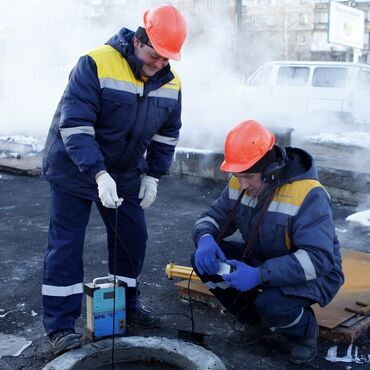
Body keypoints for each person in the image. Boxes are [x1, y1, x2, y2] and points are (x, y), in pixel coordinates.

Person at [41, 4, 187, 355]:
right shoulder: (96, 63)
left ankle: (127, 307)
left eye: (167, 59)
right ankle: (61, 327)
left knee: (132, 239)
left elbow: (168, 133)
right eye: (154, 55)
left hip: (124, 173)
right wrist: (98, 173)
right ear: (140, 39)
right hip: (74, 169)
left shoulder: (171, 82)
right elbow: (75, 125)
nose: (158, 65)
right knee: (66, 246)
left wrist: (153, 175)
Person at [192, 120, 344, 364]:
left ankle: (304, 333)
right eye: (237, 176)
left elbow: (319, 259)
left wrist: (260, 275)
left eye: (249, 177)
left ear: (271, 170)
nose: (242, 185)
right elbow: (212, 217)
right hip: (265, 259)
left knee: (272, 303)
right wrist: (206, 239)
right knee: (205, 263)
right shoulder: (241, 181)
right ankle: (257, 324)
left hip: (315, 273)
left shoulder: (308, 194)